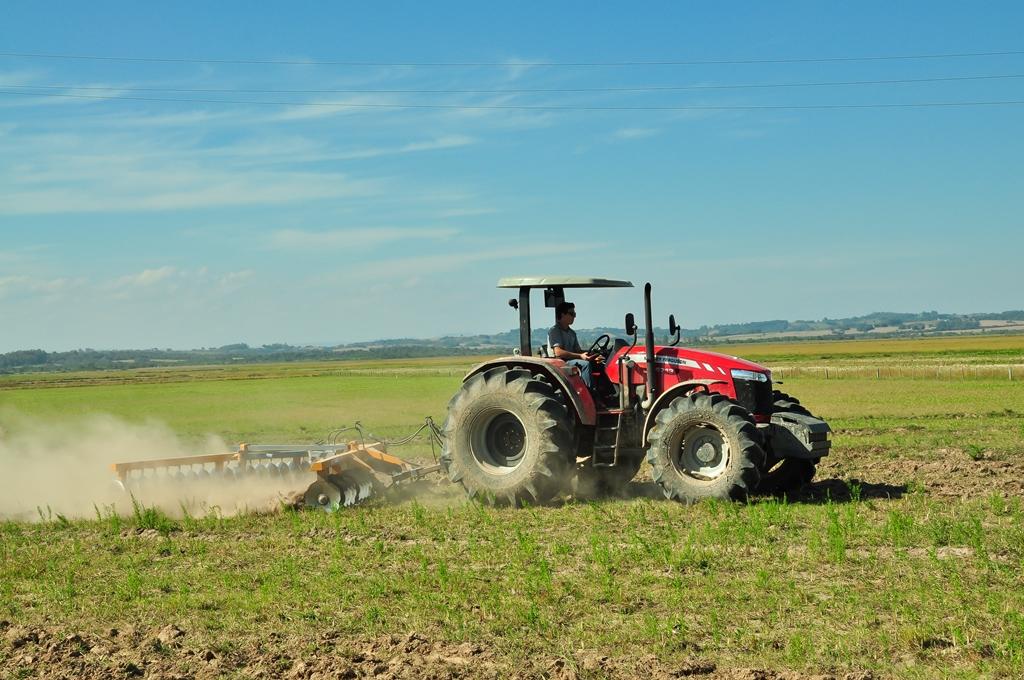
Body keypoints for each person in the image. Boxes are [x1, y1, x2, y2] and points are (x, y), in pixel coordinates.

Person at [548, 301, 603, 388]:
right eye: (572, 313)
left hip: (571, 360)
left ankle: (607, 394)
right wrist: (580, 356)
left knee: (599, 364)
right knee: (585, 365)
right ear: (563, 314)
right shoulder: (555, 331)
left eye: (574, 314)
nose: (574, 317)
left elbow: (578, 351)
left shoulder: (572, 333)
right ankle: (590, 394)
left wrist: (592, 354)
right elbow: (558, 352)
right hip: (560, 362)